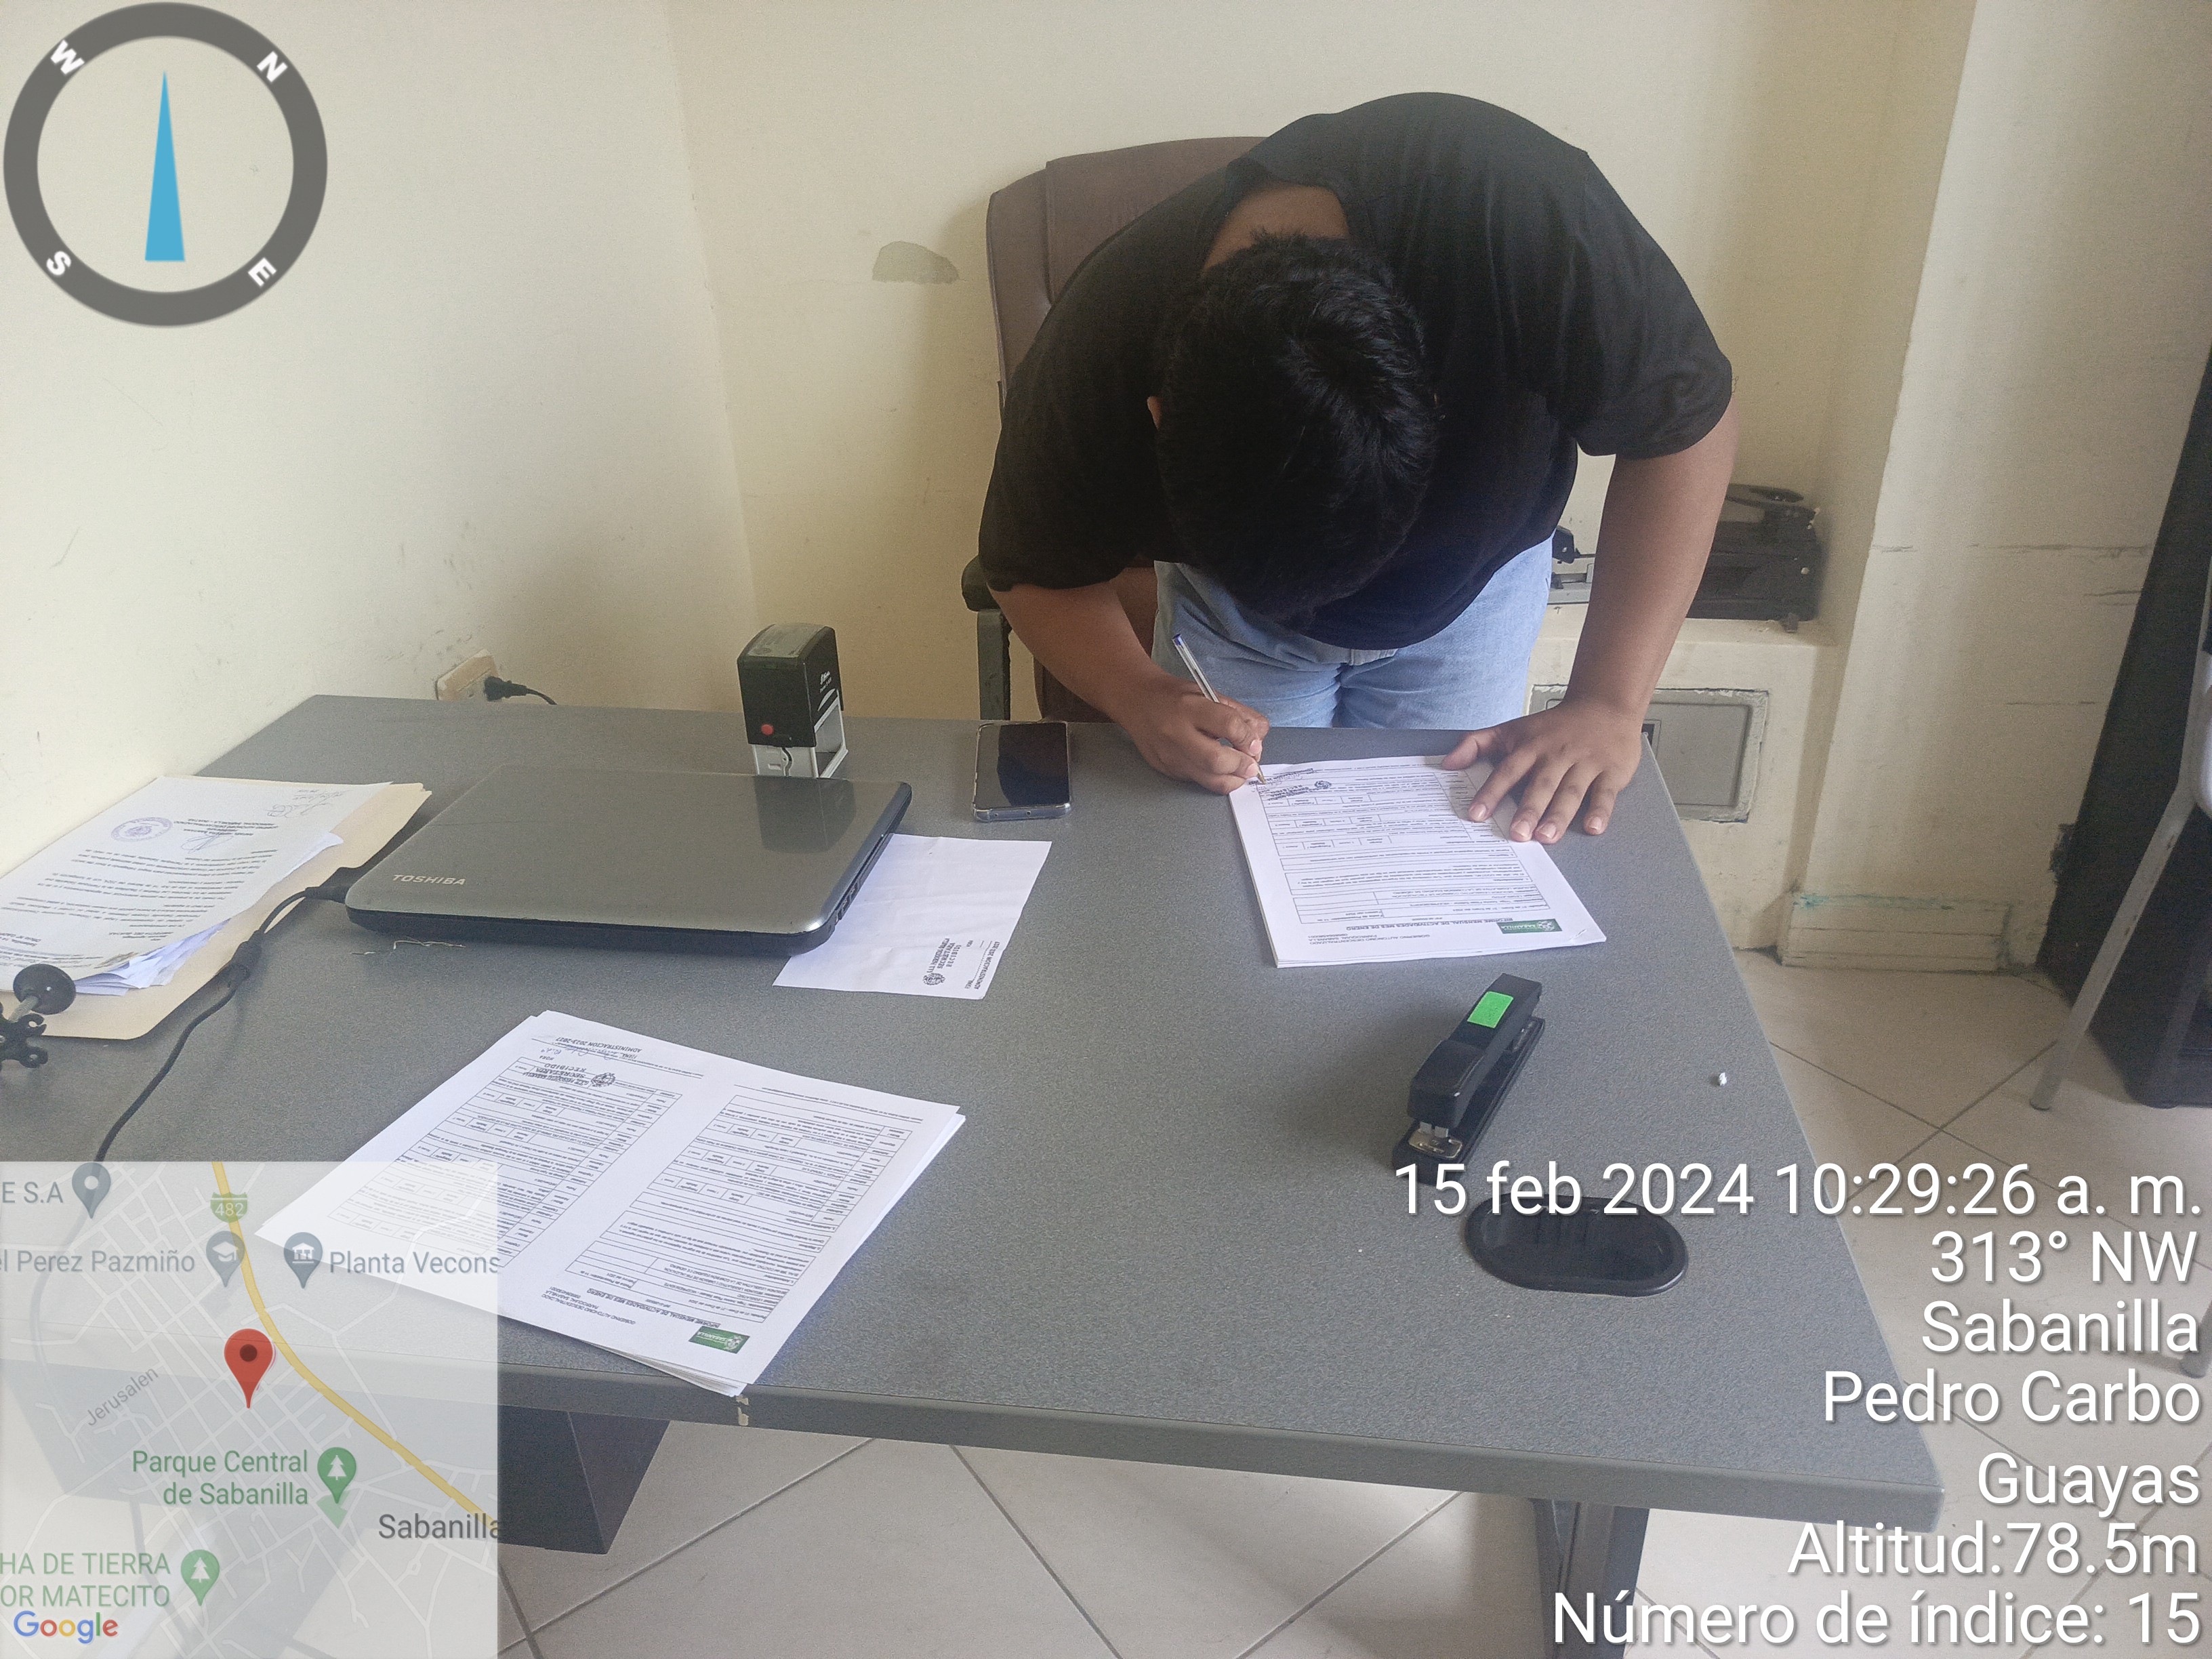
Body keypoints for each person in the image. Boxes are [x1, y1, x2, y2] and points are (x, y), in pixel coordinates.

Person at [978, 93, 1738, 843]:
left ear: (1431, 406)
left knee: (1448, 854)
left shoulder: (1527, 220)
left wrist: (1609, 702)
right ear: (1157, 416)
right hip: (1236, 627)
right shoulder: (1096, 354)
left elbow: (1686, 425)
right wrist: (1140, 696)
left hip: (1469, 596)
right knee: (1226, 857)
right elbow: (1029, 568)